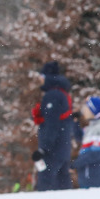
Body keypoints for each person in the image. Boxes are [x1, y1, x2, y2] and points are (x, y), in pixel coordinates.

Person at [31, 61, 73, 191]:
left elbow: (52, 123)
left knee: (46, 183)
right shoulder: (61, 93)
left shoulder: (52, 95)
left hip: (53, 150)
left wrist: (44, 148)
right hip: (63, 147)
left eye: (41, 76)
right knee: (62, 183)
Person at [71, 96, 100, 188]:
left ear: (93, 110)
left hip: (94, 177)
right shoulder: (92, 127)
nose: (83, 111)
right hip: (87, 175)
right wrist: (75, 121)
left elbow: (98, 153)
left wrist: (76, 163)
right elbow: (80, 138)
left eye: (86, 108)